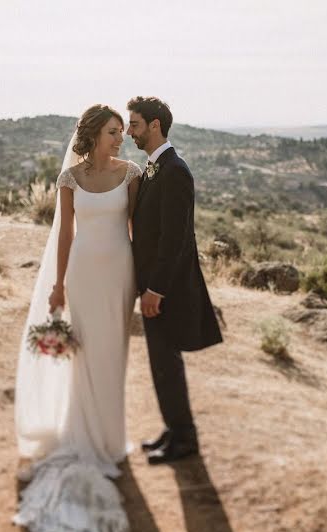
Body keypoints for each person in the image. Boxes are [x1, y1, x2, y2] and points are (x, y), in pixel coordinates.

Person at [12, 104, 141, 532]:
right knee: (85, 352)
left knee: (113, 355)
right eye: (112, 131)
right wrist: (58, 286)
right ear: (93, 134)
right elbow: (64, 236)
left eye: (122, 132)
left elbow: (136, 232)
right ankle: (81, 433)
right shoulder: (70, 179)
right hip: (83, 276)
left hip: (120, 276)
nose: (119, 138)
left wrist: (144, 288)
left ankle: (108, 435)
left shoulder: (132, 175)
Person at [126, 96, 223, 465]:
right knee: (161, 363)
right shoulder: (154, 168)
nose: (130, 132)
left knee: (167, 362)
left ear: (154, 126)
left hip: (164, 289)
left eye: (134, 125)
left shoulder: (175, 171)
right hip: (152, 285)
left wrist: (155, 289)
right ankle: (174, 429)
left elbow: (175, 238)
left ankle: (185, 439)